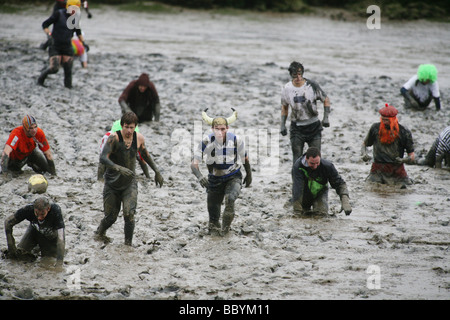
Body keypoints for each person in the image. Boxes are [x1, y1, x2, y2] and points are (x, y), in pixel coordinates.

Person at [95, 112, 164, 246]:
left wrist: (156, 171)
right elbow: (103, 158)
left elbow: (145, 155)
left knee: (129, 214)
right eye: (126, 127)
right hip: (112, 184)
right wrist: (118, 168)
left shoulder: (139, 139)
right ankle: (99, 233)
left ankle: (128, 245)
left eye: (132, 127)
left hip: (129, 184)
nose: (129, 130)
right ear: (122, 126)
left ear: (135, 127)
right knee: (110, 218)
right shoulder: (113, 138)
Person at [191, 108, 252, 235]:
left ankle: (225, 232)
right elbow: (194, 163)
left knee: (230, 199)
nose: (220, 132)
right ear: (212, 129)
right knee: (213, 222)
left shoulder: (236, 140)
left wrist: (249, 174)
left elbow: (245, 158)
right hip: (214, 179)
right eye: (217, 129)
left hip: (233, 176)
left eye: (222, 129)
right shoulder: (206, 141)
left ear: (227, 128)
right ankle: (217, 235)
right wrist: (200, 177)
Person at [280, 61, 331, 164]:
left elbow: (325, 99)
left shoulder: (312, 86)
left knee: (316, 158)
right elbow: (285, 107)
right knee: (297, 158)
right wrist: (282, 125)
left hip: (314, 127)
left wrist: (326, 118)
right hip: (297, 128)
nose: (298, 77)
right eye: (295, 75)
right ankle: (297, 180)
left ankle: (315, 179)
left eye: (300, 74)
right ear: (291, 75)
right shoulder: (287, 89)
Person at [38, 0, 89, 88]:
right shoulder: (58, 14)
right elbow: (45, 24)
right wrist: (49, 35)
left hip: (67, 46)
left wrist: (84, 43)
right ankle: (41, 79)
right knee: (54, 68)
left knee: (68, 70)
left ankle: (68, 89)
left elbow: (78, 32)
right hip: (55, 45)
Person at [361, 103, 415, 185]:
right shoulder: (375, 128)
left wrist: (403, 160)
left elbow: (412, 156)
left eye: (387, 120)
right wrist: (364, 154)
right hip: (377, 169)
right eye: (382, 119)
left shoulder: (404, 132)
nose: (384, 122)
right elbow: (364, 144)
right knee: (371, 185)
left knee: (406, 187)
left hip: (397, 170)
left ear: (394, 120)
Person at [4, 197, 65, 266]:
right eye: (36, 213)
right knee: (20, 254)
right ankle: (36, 249)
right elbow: (8, 222)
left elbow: (61, 239)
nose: (39, 217)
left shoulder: (55, 211)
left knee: (48, 260)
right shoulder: (28, 209)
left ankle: (39, 249)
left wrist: (59, 263)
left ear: (48, 209)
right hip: (34, 231)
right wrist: (11, 247)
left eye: (42, 214)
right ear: (34, 209)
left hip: (50, 237)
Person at [292, 147, 351, 216]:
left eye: (317, 163)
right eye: (312, 163)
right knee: (303, 214)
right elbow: (297, 189)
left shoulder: (328, 166)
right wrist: (297, 212)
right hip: (304, 194)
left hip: (320, 193)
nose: (315, 166)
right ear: (306, 159)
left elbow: (339, 183)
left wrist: (345, 200)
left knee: (321, 215)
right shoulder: (298, 167)